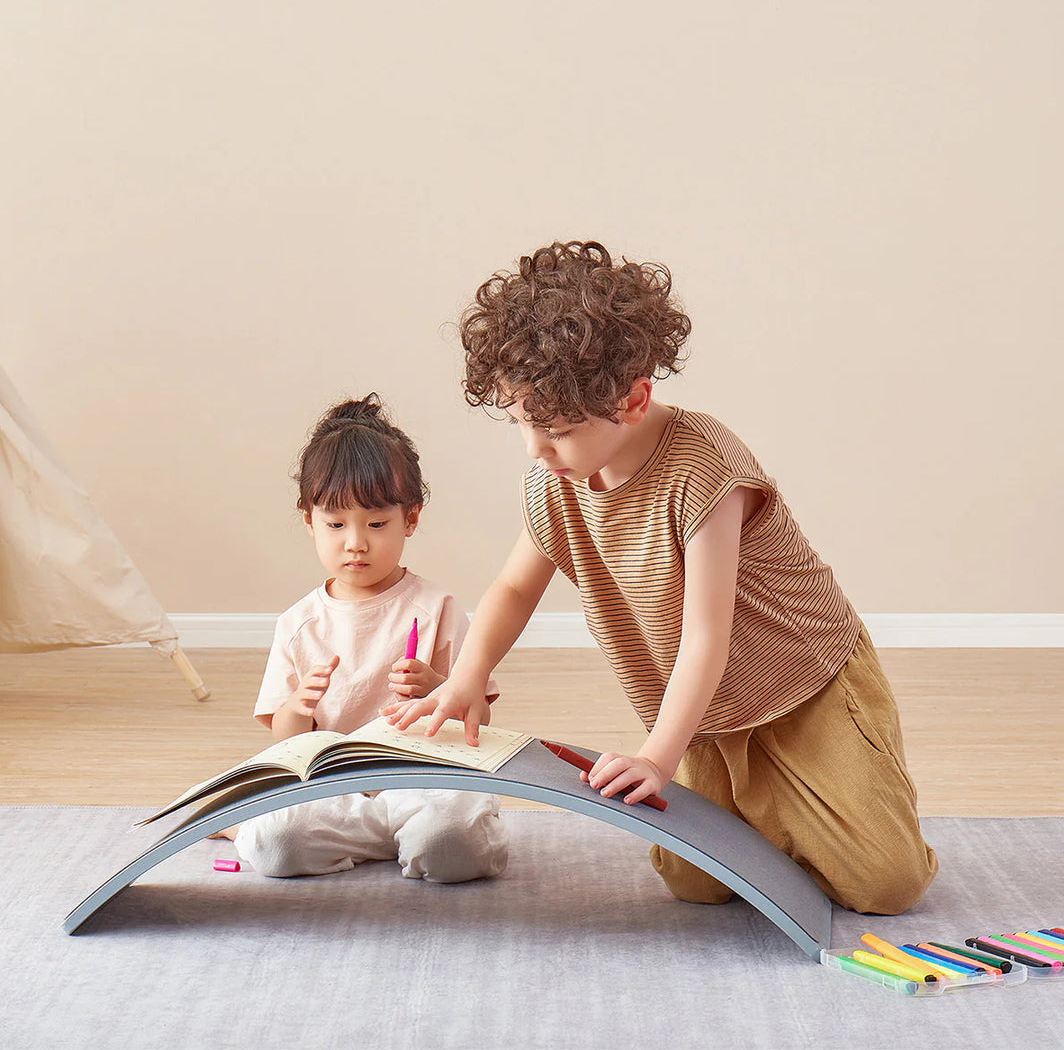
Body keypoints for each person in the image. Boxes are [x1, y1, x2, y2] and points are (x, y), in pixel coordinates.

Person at [384, 240, 937, 914]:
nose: (536, 448)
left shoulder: (705, 468)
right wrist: (468, 676)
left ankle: (833, 806)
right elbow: (514, 588)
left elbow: (707, 636)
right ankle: (781, 815)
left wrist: (656, 757)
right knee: (694, 882)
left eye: (555, 429)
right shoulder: (558, 482)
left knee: (886, 884)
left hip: (804, 685)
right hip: (708, 714)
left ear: (634, 399)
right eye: (523, 423)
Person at [229, 393, 508, 883]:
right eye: (335, 524)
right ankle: (250, 830)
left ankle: (421, 838)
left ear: (411, 519)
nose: (355, 542)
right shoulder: (299, 624)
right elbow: (286, 740)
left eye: (377, 524)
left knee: (451, 846)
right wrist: (298, 705)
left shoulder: (436, 608)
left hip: (423, 786)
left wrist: (439, 687)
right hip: (334, 795)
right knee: (275, 847)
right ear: (307, 520)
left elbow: (478, 718)